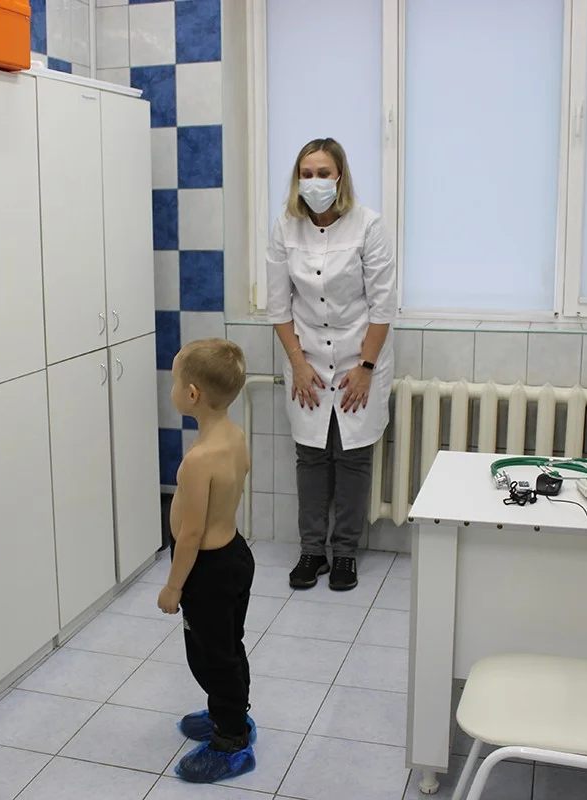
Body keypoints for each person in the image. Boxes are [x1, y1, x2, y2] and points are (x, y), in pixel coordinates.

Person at [266, 137, 397, 592]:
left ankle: (344, 554)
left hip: (360, 357)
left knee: (353, 456)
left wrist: (366, 367)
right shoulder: (286, 227)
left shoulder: (368, 225)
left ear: (340, 177)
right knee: (311, 455)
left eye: (323, 173)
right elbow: (278, 306)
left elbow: (383, 306)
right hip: (307, 359)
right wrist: (298, 364)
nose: (314, 181)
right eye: (307, 174)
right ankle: (311, 552)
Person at [157, 338, 257, 783]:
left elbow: (192, 535)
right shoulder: (234, 436)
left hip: (207, 570)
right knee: (228, 646)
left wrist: (174, 586)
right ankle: (230, 713)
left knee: (210, 656)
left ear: (192, 394)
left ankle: (231, 741)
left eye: (175, 381)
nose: (172, 389)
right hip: (234, 556)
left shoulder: (199, 460)